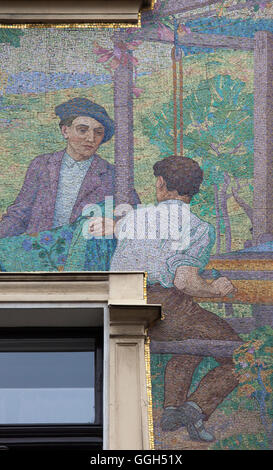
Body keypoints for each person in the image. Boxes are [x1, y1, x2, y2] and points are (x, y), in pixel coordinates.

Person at [110, 155, 241, 442]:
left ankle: (172, 409)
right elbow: (185, 281)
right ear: (195, 189)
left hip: (123, 304)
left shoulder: (132, 218)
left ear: (160, 184)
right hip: (163, 305)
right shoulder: (198, 227)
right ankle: (195, 408)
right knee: (242, 354)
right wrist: (216, 289)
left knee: (194, 336)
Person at [0, 97, 140, 238]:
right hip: (39, 252)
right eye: (82, 130)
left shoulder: (113, 175)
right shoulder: (41, 165)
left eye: (98, 132)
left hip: (86, 256)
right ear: (65, 131)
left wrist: (115, 225)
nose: (91, 138)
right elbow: (19, 215)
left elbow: (135, 219)